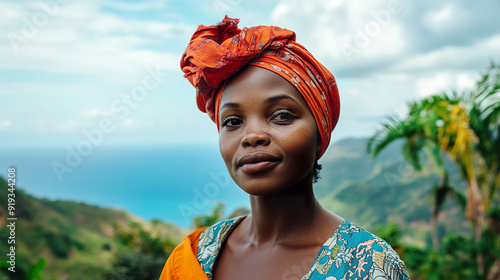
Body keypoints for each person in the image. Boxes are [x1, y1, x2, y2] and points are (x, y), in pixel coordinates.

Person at [159, 16, 410, 280]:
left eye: (282, 116)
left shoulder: (370, 266)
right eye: (233, 121)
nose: (252, 136)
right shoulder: (192, 258)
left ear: (319, 134)